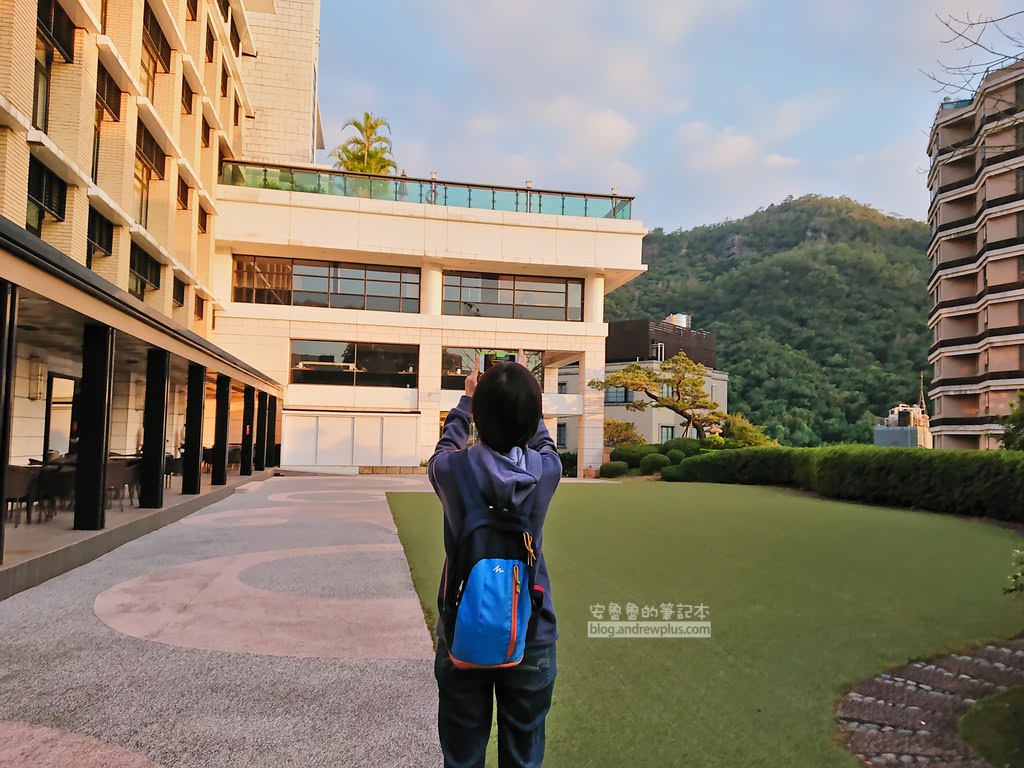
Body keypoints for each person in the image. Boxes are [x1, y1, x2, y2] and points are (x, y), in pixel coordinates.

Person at [428, 350, 561, 768]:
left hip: (462, 630)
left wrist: (467, 401)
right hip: (532, 631)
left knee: (463, 756)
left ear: (479, 419)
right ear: (533, 417)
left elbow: (444, 447)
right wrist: (522, 385)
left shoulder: (452, 472)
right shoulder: (546, 472)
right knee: (523, 756)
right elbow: (544, 442)